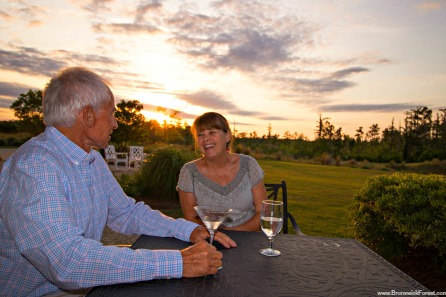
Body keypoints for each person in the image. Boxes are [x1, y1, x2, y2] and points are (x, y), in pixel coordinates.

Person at [0, 67, 236, 297]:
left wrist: (189, 229)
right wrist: (180, 262)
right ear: (88, 116)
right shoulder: (34, 167)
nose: (115, 123)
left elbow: (125, 213)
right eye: (112, 113)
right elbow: (68, 263)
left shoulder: (91, 159)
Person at [177, 112, 268, 231]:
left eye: (212, 132)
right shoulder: (189, 172)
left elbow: (262, 212)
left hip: (249, 239)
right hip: (209, 241)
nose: (205, 139)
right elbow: (191, 217)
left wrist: (233, 232)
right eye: (200, 134)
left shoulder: (249, 164)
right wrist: (216, 236)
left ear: (227, 136)